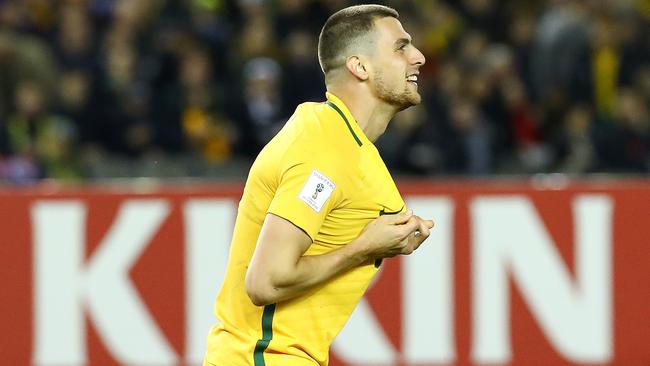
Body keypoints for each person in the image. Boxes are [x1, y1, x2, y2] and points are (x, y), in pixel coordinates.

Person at [203, 5, 433, 366]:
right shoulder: (322, 150)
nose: (418, 57)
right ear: (360, 67)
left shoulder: (350, 148)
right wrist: (362, 248)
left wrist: (390, 241)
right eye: (400, 47)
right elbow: (264, 282)